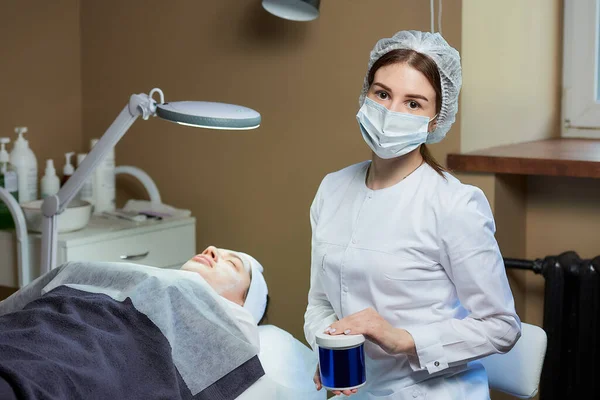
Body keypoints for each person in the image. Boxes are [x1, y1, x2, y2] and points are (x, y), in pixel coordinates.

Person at [303, 30, 521, 399]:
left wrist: (403, 340)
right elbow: (320, 302)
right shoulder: (332, 189)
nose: (390, 112)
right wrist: (330, 347)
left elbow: (501, 327)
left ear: (435, 120)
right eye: (382, 94)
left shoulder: (455, 204)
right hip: (354, 390)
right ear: (365, 96)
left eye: (414, 104)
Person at [0, 245, 270, 400]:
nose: (211, 250)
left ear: (241, 305)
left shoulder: (233, 327)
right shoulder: (150, 280)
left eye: (232, 264)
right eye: (214, 249)